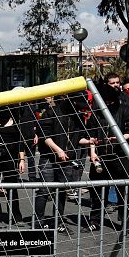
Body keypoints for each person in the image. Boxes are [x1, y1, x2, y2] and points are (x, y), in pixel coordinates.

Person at [84, 77, 129, 232]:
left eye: (109, 101)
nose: (107, 104)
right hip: (101, 156)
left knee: (124, 191)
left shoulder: (124, 109)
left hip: (120, 156)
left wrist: (121, 138)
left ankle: (126, 223)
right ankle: (95, 220)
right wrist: (92, 152)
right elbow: (91, 134)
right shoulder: (96, 114)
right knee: (96, 190)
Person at [32, 96, 88, 232]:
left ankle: (59, 221)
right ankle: (38, 222)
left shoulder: (78, 116)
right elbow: (45, 135)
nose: (79, 109)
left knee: (61, 190)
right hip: (49, 158)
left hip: (66, 159)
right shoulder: (51, 112)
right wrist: (58, 150)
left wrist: (91, 141)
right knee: (45, 189)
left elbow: (78, 138)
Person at [0, 103, 34, 226]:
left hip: (10, 155)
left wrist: (22, 160)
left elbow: (20, 142)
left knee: (12, 186)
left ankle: (16, 217)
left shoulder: (16, 120)